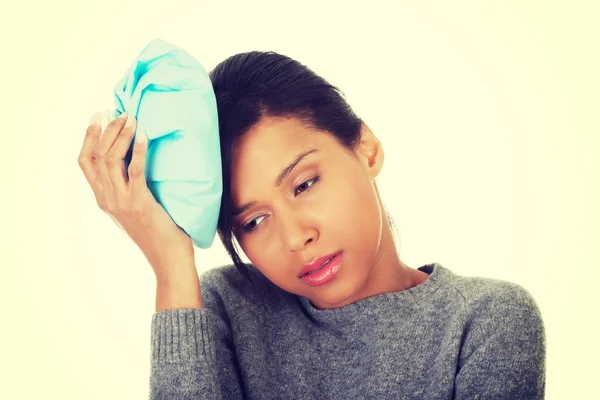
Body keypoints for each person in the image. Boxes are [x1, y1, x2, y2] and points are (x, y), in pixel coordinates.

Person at [79, 51, 546, 399]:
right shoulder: (223, 309)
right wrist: (171, 266)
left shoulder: (484, 321)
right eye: (255, 220)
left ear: (365, 146)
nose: (295, 238)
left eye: (304, 185)